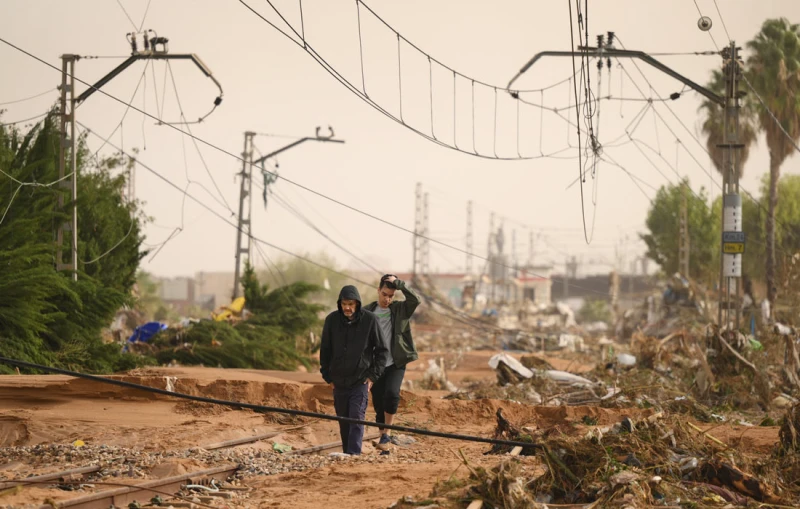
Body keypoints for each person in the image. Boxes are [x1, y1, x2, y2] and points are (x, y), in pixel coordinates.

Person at [320, 285, 389, 455]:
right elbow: (325, 351)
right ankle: (347, 455)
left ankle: (353, 455)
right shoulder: (332, 321)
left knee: (356, 418)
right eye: (344, 304)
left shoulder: (370, 320)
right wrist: (328, 376)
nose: (348, 308)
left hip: (360, 380)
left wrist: (372, 377)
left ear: (357, 304)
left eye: (351, 304)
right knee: (344, 420)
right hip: (339, 381)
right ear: (340, 304)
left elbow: (382, 351)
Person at [364, 274, 420, 453]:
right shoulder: (367, 312)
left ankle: (387, 432)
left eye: (391, 296)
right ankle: (382, 436)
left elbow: (415, 299)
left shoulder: (400, 309)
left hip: (396, 361)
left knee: (392, 394)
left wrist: (400, 285)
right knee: (379, 399)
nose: (387, 299)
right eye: (385, 294)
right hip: (375, 363)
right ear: (378, 291)